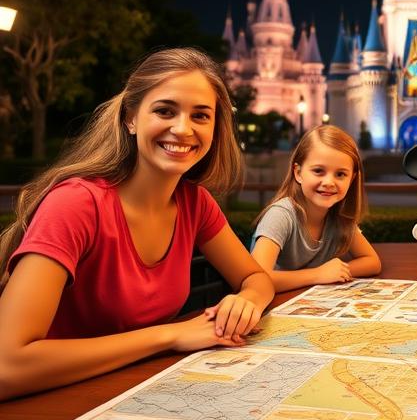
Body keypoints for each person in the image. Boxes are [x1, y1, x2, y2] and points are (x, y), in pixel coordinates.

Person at [0, 48, 274, 401]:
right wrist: (171, 335)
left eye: (201, 116)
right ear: (131, 118)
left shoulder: (194, 203)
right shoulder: (76, 204)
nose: (182, 129)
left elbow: (256, 278)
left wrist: (248, 300)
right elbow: (8, 366)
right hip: (43, 409)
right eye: (165, 110)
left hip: (126, 393)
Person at [251, 125, 380, 292]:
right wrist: (318, 275)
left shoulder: (339, 217)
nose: (328, 182)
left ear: (352, 178)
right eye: (318, 171)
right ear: (298, 173)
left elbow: (372, 261)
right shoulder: (281, 215)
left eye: (340, 174)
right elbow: (258, 278)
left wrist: (336, 272)